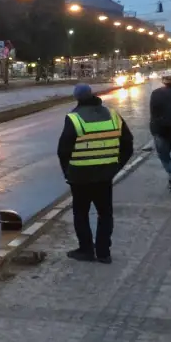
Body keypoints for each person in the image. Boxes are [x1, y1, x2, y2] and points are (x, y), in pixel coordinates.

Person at [57, 83, 134, 264]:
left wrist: (68, 172)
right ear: (93, 95)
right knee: (105, 214)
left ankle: (86, 250)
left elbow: (63, 151)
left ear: (77, 98)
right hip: (105, 176)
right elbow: (128, 145)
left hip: (79, 177)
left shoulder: (74, 118)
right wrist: (115, 167)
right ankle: (104, 253)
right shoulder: (113, 115)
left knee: (81, 214)